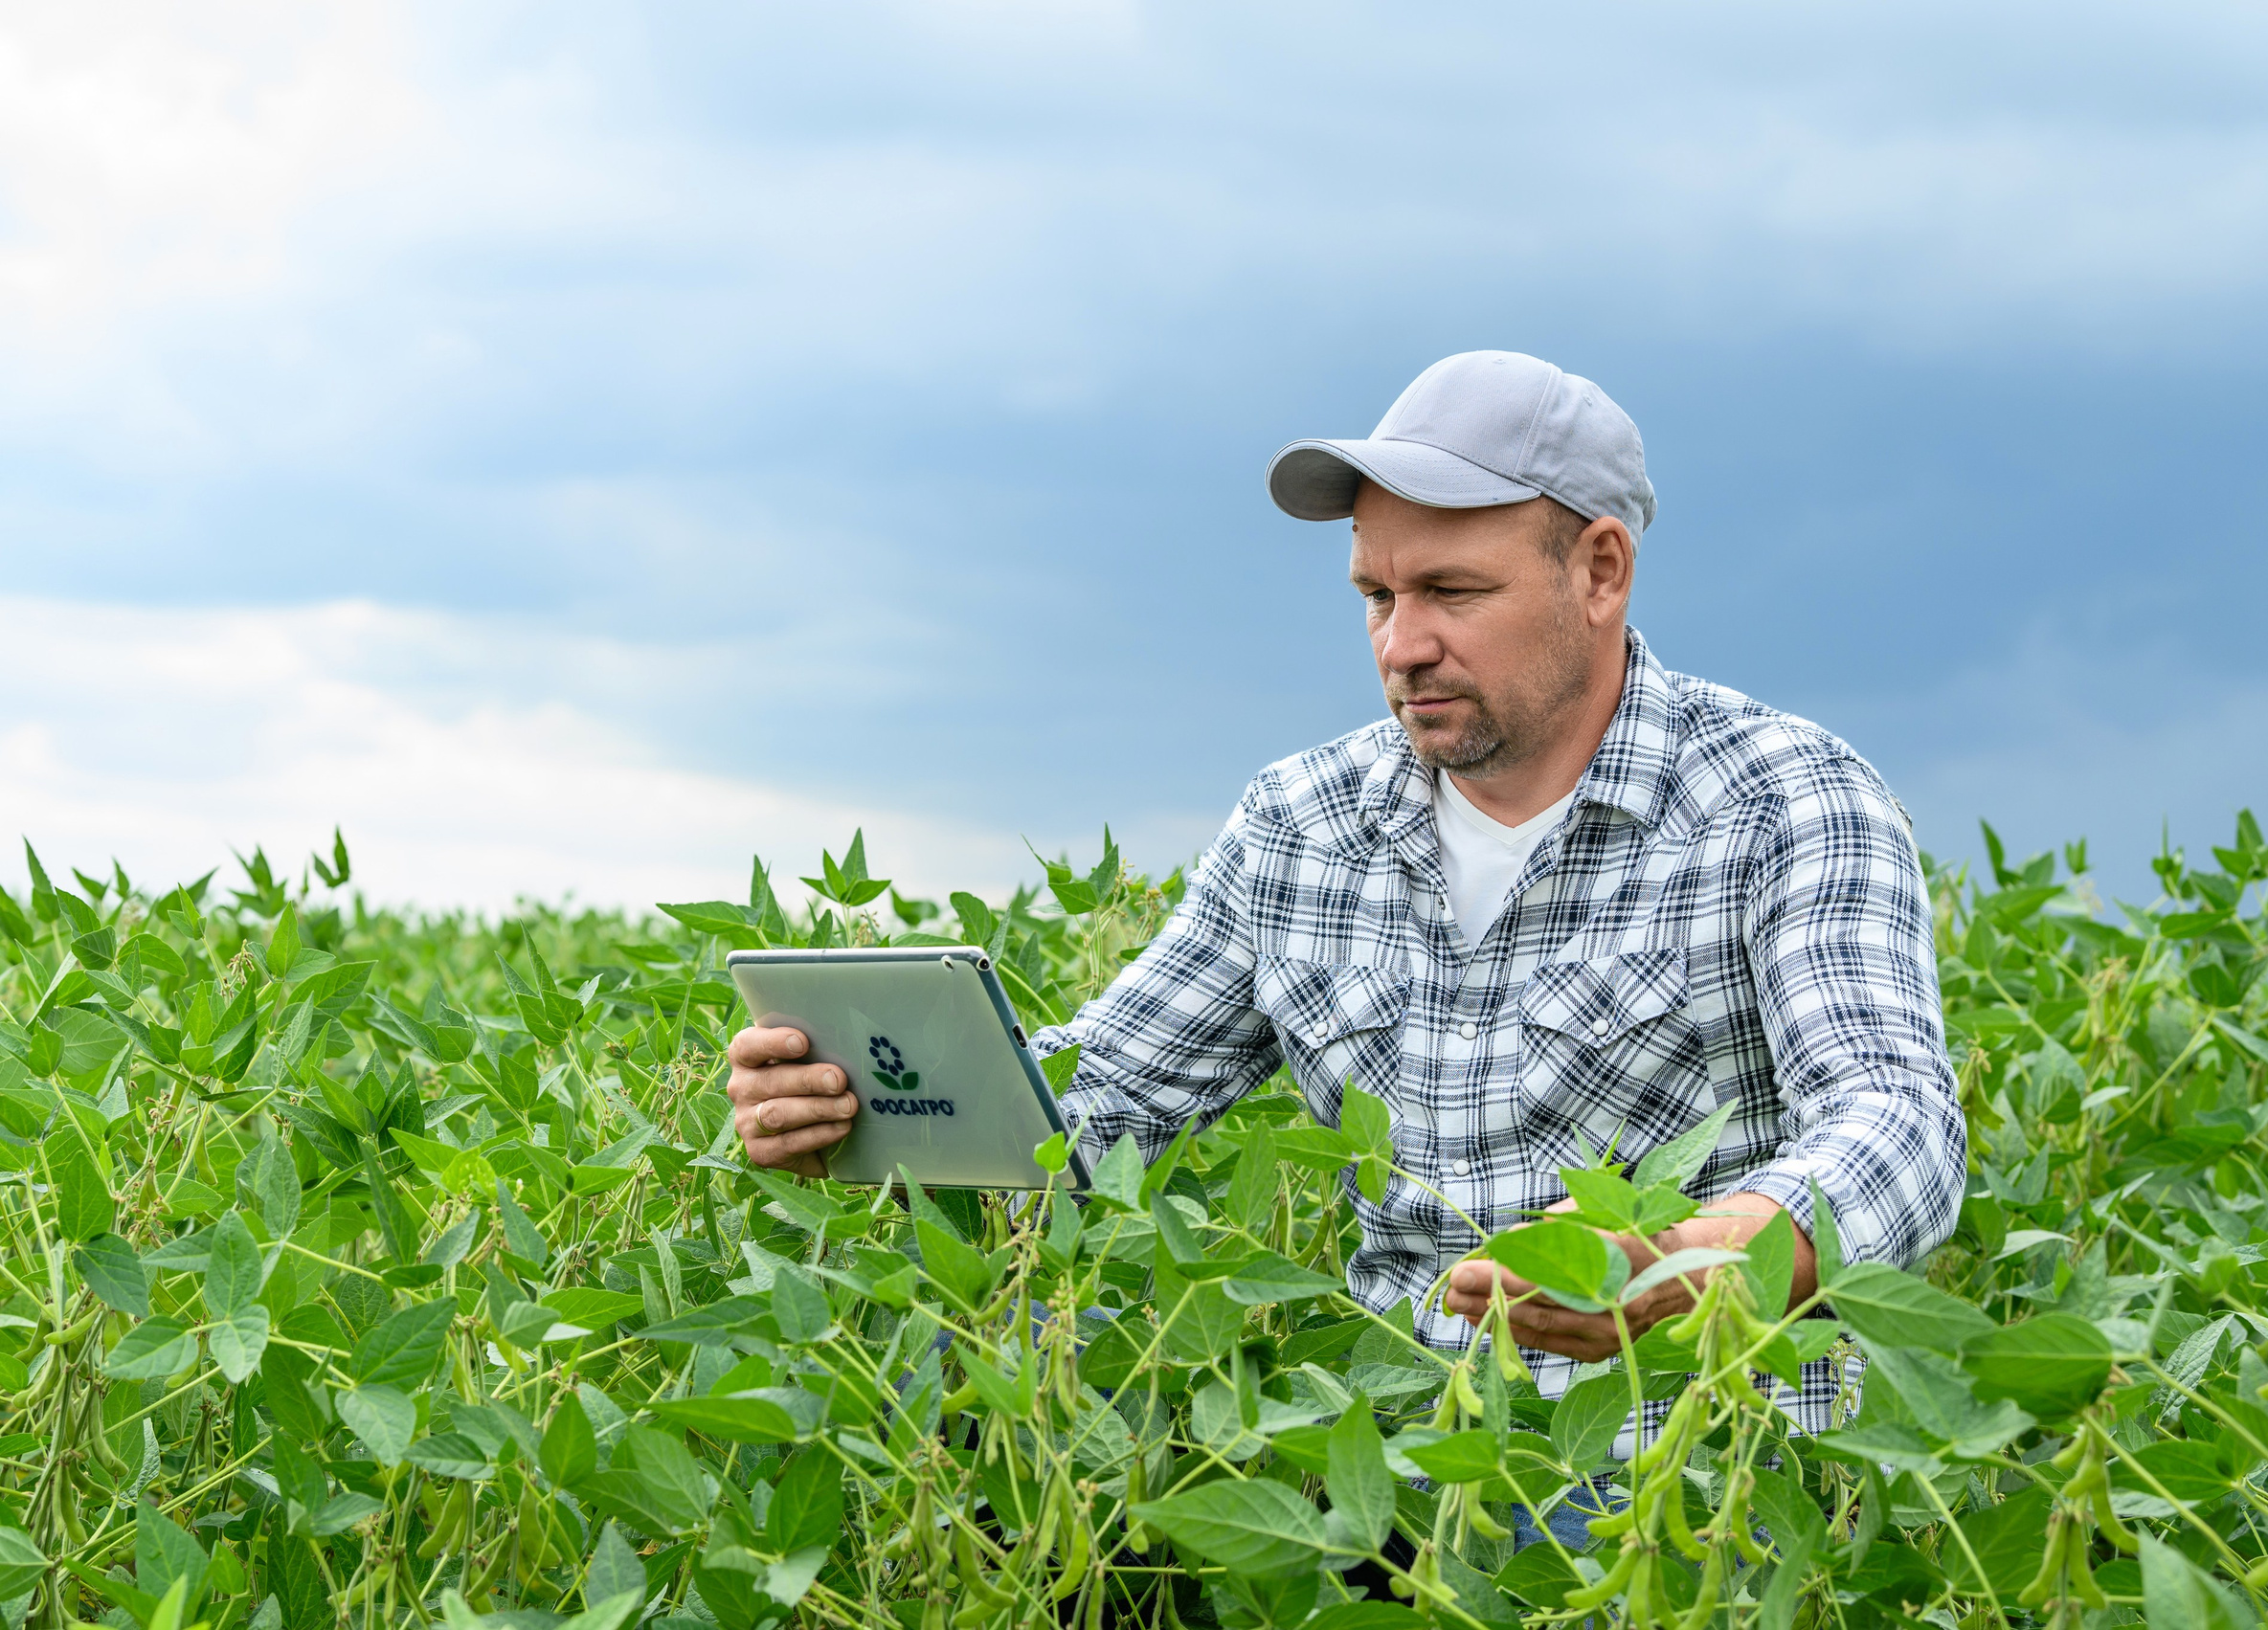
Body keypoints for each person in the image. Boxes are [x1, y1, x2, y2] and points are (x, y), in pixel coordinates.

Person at [726, 349, 1965, 1442]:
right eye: (1377, 596)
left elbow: (1896, 1118)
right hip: (1392, 1478)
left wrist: (1700, 1264)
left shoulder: (1783, 799)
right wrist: (871, 1101)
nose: (1401, 643)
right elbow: (1103, 1103)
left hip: (1694, 1466)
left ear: (1600, 570)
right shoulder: (1305, 823)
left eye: (1454, 593)